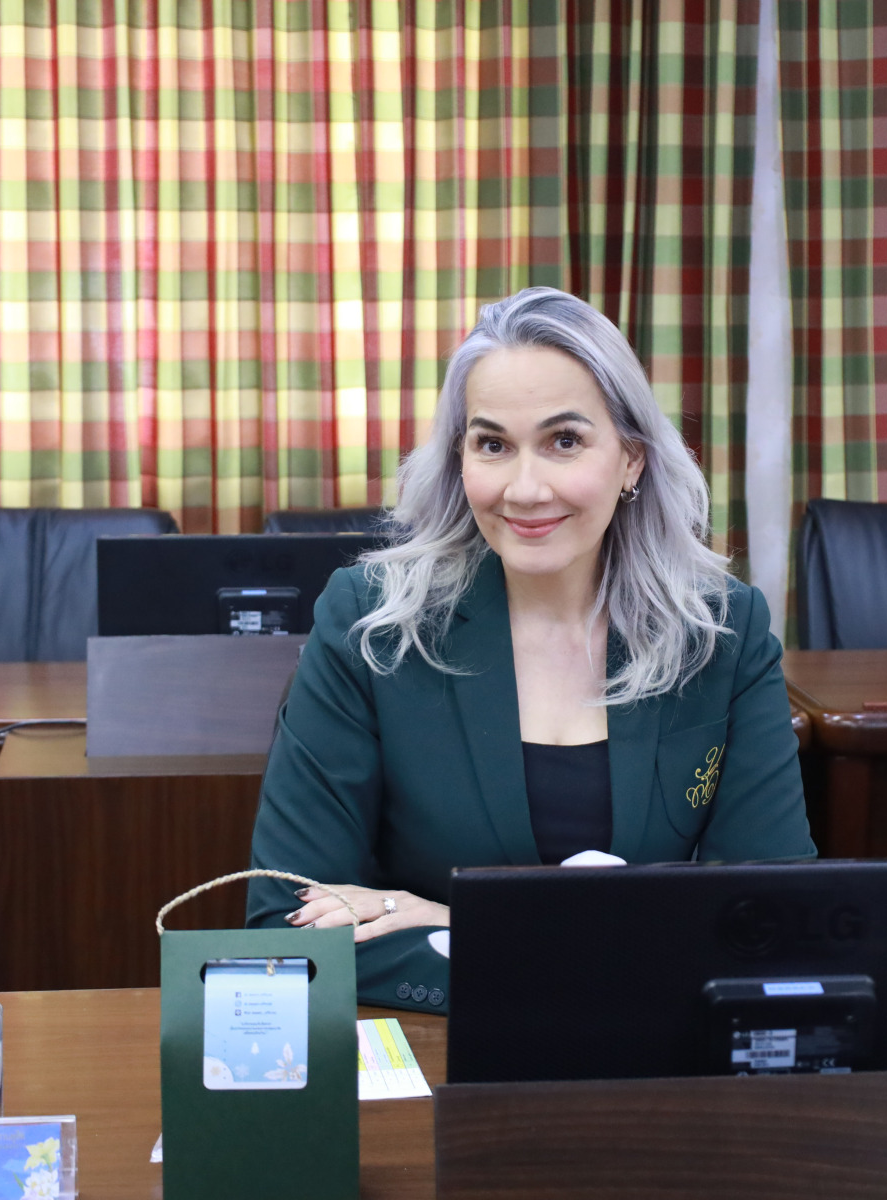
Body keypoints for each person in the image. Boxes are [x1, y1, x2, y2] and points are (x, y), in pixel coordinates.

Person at [245, 286, 814, 1011]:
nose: (525, 489)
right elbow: (286, 927)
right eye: (492, 445)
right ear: (459, 458)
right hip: (439, 1057)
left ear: (632, 459)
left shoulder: (724, 631)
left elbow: (769, 920)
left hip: (644, 1061)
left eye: (564, 441)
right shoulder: (369, 623)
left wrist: (463, 923)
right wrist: (607, 953)